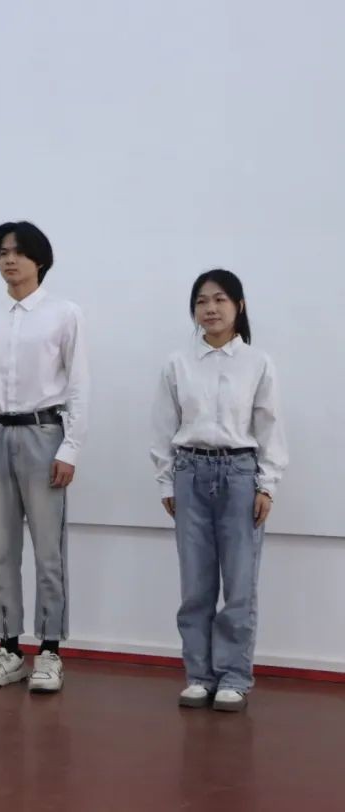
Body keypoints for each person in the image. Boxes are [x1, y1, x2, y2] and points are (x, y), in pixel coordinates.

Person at [0, 221, 89, 694]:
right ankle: (9, 648)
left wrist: (70, 447)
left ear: (40, 259)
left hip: (43, 434)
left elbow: (79, 386)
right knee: (0, 549)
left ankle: (49, 651)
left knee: (49, 551)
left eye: (18, 252)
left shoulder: (64, 314)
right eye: (2, 252)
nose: (9, 260)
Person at [150, 269, 287, 712]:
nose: (210, 308)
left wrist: (267, 484)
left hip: (241, 475)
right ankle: (199, 675)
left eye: (220, 299)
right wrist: (167, 480)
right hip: (190, 472)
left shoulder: (257, 363)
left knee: (240, 584)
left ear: (239, 306)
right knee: (196, 583)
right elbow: (163, 427)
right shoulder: (178, 363)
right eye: (201, 301)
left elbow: (269, 427)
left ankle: (233, 676)